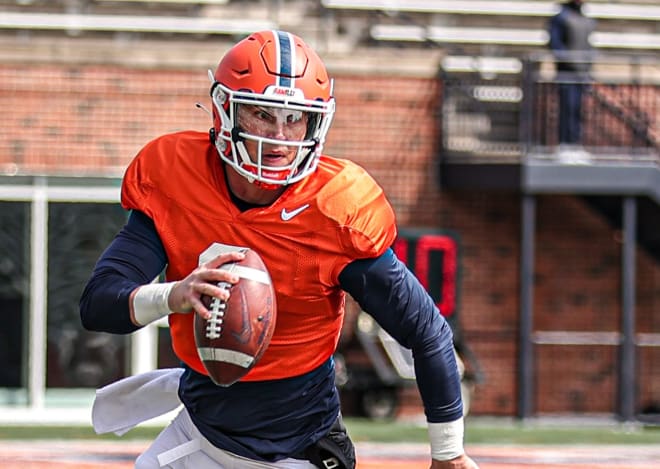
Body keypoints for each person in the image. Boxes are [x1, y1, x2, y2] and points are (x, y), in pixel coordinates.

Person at [79, 30, 480, 469]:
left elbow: (426, 331)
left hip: (299, 449)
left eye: (295, 118)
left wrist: (449, 453)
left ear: (317, 123)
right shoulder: (174, 176)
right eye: (261, 114)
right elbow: (99, 303)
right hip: (200, 434)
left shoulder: (335, 208)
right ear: (224, 111)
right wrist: (173, 294)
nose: (280, 136)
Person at [548, 0, 596, 149]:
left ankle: (575, 143)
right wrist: (570, 61)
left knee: (577, 109)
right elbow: (556, 45)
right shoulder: (561, 17)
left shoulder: (585, 17)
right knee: (566, 107)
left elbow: (588, 45)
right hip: (567, 72)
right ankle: (564, 143)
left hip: (582, 73)